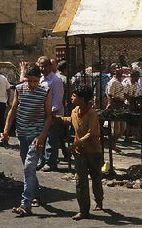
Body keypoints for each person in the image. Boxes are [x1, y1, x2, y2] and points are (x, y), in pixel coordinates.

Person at [1, 64, 52, 217]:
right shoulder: (20, 88)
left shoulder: (45, 91)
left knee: (29, 167)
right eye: (30, 81)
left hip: (36, 136)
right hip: (21, 134)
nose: (32, 85)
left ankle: (25, 204)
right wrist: (5, 131)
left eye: (35, 81)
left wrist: (42, 136)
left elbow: (49, 116)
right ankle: (36, 194)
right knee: (28, 167)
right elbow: (13, 110)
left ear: (39, 79)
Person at [59, 84, 104, 220]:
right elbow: (70, 120)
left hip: (94, 152)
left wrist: (75, 144)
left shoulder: (92, 114)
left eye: (74, 96)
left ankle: (99, 200)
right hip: (80, 152)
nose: (71, 98)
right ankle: (84, 211)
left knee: (96, 178)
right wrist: (56, 118)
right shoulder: (74, 111)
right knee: (80, 181)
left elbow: (92, 134)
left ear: (82, 98)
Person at [37, 55, 64, 172]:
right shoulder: (40, 79)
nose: (43, 69)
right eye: (41, 67)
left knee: (51, 140)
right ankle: (41, 160)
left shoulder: (56, 80)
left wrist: (50, 113)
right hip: (41, 114)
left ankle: (51, 162)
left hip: (53, 114)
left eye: (45, 66)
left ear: (50, 66)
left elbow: (58, 100)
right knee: (41, 138)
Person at [106, 68, 127, 152]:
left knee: (123, 128)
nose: (121, 73)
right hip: (115, 104)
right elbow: (110, 94)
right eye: (119, 71)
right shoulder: (113, 82)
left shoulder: (121, 81)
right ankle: (112, 146)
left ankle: (113, 144)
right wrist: (111, 104)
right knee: (116, 129)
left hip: (121, 104)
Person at [0, 71, 11, 146]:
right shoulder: (4, 78)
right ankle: (2, 138)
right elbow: (8, 89)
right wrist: (8, 99)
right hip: (3, 102)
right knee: (1, 121)